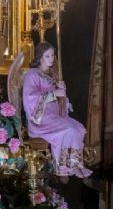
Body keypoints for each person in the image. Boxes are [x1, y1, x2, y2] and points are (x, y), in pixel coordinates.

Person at [22, 41, 92, 181]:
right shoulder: (32, 75)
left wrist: (62, 94)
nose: (51, 59)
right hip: (41, 120)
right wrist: (54, 94)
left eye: (53, 55)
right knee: (69, 130)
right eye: (47, 56)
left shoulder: (52, 75)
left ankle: (73, 164)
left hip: (54, 117)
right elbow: (30, 97)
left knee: (79, 129)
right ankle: (63, 169)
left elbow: (59, 99)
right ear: (40, 57)